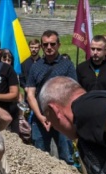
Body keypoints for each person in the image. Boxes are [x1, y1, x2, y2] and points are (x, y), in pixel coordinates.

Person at [25, 30, 77, 165]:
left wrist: (61, 116)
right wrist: (41, 117)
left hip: (63, 118)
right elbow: (30, 94)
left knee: (67, 158)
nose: (49, 47)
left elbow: (73, 92)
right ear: (41, 46)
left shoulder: (67, 65)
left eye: (52, 44)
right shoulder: (35, 67)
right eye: (45, 44)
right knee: (39, 159)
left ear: (58, 45)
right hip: (40, 117)